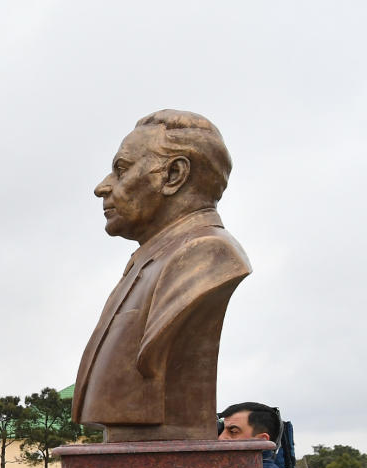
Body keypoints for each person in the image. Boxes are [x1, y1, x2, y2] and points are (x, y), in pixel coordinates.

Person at [73, 110, 251, 441]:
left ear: (173, 175)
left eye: (121, 170)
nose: (102, 187)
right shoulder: (150, 260)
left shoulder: (206, 255)